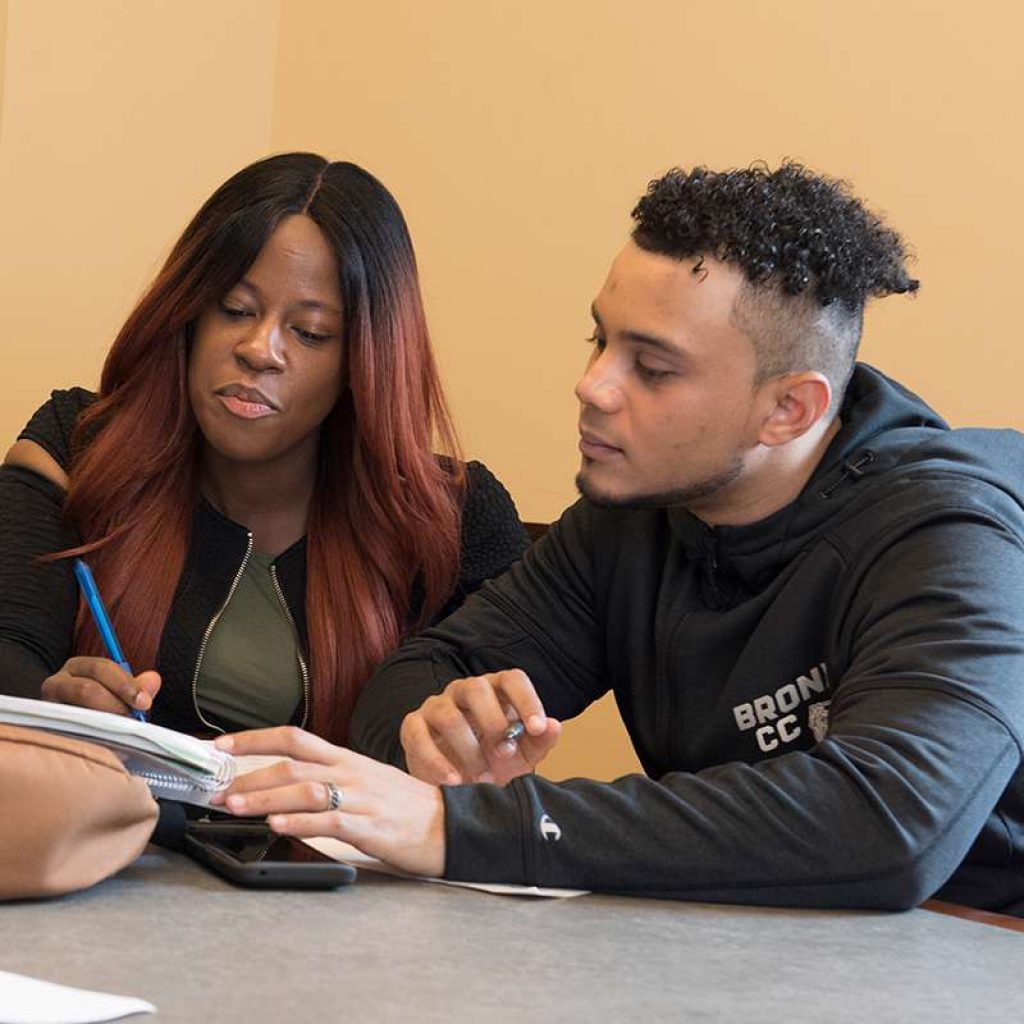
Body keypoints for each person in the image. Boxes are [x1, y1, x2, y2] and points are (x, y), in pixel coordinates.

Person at [208, 163, 1024, 915]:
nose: (592, 385)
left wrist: (462, 827)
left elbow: (888, 827)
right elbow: (429, 670)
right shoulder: (632, 513)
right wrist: (438, 740)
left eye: (653, 368)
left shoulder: (952, 532)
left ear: (790, 409)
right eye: (601, 339)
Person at [0, 152, 528, 743]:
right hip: (109, 827)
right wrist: (48, 704)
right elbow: (9, 646)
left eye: (310, 332)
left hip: (324, 836)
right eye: (235, 309)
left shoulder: (455, 517)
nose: (259, 348)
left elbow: (495, 734)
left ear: (363, 361)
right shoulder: (78, 447)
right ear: (188, 315)